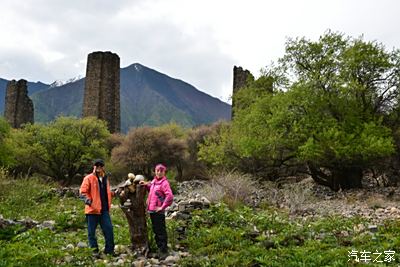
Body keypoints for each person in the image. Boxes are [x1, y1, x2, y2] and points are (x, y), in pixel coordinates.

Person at [79, 159, 115, 256]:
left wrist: (113, 194)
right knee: (91, 233)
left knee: (109, 230)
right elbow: (82, 192)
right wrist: (89, 201)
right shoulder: (88, 178)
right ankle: (94, 251)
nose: (99, 167)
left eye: (101, 165)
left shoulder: (105, 179)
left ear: (103, 167)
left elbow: (105, 192)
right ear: (94, 167)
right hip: (92, 210)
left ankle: (109, 251)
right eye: (97, 165)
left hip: (104, 210)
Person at [140, 164, 174, 259]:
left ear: (164, 172)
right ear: (155, 171)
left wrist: (162, 207)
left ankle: (163, 251)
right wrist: (146, 184)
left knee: (160, 231)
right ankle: (160, 249)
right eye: (157, 170)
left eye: (161, 171)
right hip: (152, 211)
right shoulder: (155, 181)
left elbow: (170, 196)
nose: (159, 172)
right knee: (156, 230)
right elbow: (151, 189)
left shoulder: (164, 183)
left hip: (158, 212)